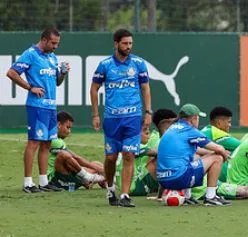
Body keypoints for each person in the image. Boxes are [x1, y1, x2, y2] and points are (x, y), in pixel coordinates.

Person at [90, 29, 152, 208]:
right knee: (110, 158)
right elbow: (94, 89)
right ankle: (110, 189)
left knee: (129, 155)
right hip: (112, 119)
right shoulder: (105, 65)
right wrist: (95, 114)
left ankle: (125, 195)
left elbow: (145, 88)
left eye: (131, 43)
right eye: (125, 43)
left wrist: (148, 112)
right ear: (116, 44)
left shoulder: (139, 64)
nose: (128, 47)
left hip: (133, 118)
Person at [6, 28, 69, 193]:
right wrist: (30, 87)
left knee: (47, 143)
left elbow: (57, 83)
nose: (56, 47)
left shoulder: (52, 57)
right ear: (44, 40)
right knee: (34, 142)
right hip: (37, 106)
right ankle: (28, 183)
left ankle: (43, 181)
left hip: (50, 106)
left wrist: (63, 73)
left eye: (57, 43)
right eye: (53, 43)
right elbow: (11, 73)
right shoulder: (30, 54)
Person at [155, 104, 231, 206]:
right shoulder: (190, 130)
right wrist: (223, 154)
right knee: (218, 158)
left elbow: (198, 151)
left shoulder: (172, 128)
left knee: (195, 157)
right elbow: (219, 148)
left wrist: (211, 153)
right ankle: (211, 197)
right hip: (178, 178)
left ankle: (187, 196)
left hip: (163, 181)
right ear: (193, 119)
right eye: (198, 118)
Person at [47, 111, 106, 190]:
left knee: (97, 164)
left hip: (69, 178)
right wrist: (98, 170)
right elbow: (76, 158)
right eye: (68, 127)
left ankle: (109, 182)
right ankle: (87, 177)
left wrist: (99, 169)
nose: (69, 131)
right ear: (59, 125)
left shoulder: (57, 139)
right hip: (57, 180)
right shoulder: (54, 140)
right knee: (63, 154)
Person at [199, 106, 241, 182]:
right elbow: (244, 146)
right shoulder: (216, 133)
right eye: (228, 122)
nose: (230, 125)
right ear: (219, 122)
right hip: (216, 179)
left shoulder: (206, 130)